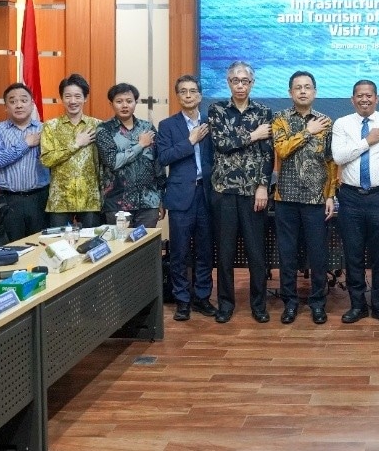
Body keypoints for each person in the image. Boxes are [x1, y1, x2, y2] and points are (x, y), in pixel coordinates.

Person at [331, 80, 379, 325]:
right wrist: (368, 141)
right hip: (350, 198)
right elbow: (339, 156)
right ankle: (357, 305)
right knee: (353, 255)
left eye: (369, 95)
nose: (364, 99)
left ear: (377, 98)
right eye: (359, 96)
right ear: (352, 99)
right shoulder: (342, 124)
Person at [207, 61, 273, 324]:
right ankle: (225, 304)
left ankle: (259, 305)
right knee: (224, 253)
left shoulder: (264, 111)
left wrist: (262, 186)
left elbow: (267, 154)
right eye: (235, 80)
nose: (240, 85)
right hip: (223, 191)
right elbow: (222, 145)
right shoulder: (217, 110)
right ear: (228, 83)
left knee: (257, 253)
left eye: (245, 81)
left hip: (252, 192)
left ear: (252, 83)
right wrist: (253, 134)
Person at [271, 71, 337, 325]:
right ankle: (289, 303)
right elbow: (283, 149)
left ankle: (318, 303)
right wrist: (308, 131)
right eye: (297, 87)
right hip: (285, 197)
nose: (302, 91)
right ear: (290, 93)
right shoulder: (280, 119)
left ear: (315, 92)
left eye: (307, 87)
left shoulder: (327, 121)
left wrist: (330, 194)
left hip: (316, 199)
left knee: (318, 255)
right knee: (287, 255)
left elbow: (330, 161)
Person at [157, 75, 217, 321]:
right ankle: (182, 300)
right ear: (178, 96)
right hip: (181, 196)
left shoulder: (212, 123)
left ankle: (202, 297)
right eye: (184, 91)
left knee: (205, 250)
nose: (189, 95)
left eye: (193, 91)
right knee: (180, 252)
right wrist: (190, 141)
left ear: (200, 96)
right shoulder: (167, 125)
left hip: (207, 194)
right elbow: (164, 157)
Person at [0, 83, 50, 243]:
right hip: (9, 200)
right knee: (13, 248)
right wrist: (26, 143)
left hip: (39, 198)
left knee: (40, 245)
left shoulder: (46, 129)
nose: (19, 105)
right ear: (6, 107)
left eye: (23, 100)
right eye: (13, 101)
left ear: (32, 103)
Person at [96, 83, 162, 229]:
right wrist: (140, 145)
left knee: (146, 248)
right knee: (121, 248)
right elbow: (113, 162)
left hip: (148, 202)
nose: (124, 105)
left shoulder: (147, 127)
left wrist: (160, 198)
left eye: (129, 101)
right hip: (117, 203)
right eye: (119, 101)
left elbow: (158, 164)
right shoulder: (104, 130)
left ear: (135, 103)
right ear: (111, 104)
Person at [40, 73, 102, 228]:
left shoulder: (97, 126)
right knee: (59, 247)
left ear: (85, 98)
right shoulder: (50, 126)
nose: (72, 101)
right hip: (60, 199)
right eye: (68, 96)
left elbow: (102, 163)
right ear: (62, 98)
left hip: (91, 199)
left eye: (77, 96)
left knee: (92, 246)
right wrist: (76, 144)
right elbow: (46, 160)